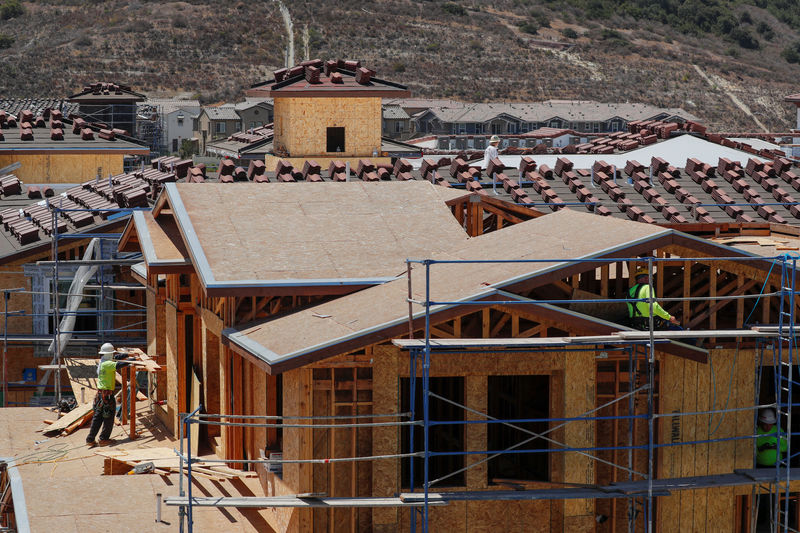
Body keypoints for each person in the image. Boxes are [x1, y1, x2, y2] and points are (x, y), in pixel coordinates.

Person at [86, 343, 135, 448]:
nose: (113, 355)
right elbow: (119, 365)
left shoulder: (103, 361)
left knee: (97, 417)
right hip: (107, 396)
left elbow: (117, 358)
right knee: (109, 417)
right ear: (109, 354)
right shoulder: (107, 364)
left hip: (101, 395)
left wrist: (127, 355)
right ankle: (104, 439)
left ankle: (90, 439)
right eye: (112, 353)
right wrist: (134, 359)